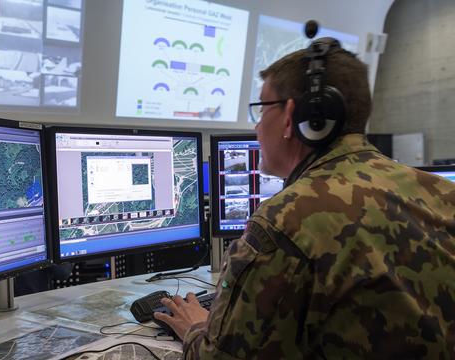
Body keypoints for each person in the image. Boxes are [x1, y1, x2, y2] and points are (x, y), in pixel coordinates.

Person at [154, 42, 455, 358]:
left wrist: (196, 328)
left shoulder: (285, 221)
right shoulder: (442, 194)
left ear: (292, 118)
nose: (256, 126)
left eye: (262, 109)